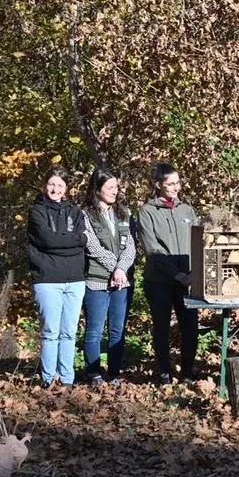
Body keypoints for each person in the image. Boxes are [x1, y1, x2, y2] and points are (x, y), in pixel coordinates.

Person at [138, 163, 199, 384]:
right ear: (158, 185)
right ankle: (164, 371)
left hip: (188, 280)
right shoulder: (147, 212)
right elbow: (153, 249)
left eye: (178, 183)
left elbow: (197, 243)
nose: (175, 187)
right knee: (161, 327)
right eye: (170, 184)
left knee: (190, 328)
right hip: (160, 280)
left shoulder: (187, 210)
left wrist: (194, 273)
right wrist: (176, 274)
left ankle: (187, 373)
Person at [27, 166, 87, 388]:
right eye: (51, 184)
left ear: (66, 189)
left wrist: (65, 241)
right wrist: (74, 240)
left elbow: (84, 240)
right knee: (51, 332)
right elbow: (48, 241)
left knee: (69, 333)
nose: (55, 189)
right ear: (45, 186)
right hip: (47, 280)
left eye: (60, 185)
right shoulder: (37, 212)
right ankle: (47, 379)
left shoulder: (76, 212)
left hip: (75, 280)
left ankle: (67, 378)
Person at [82, 166, 136, 387]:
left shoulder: (125, 213)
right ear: (98, 188)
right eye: (110, 187)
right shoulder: (85, 214)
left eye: (117, 187)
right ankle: (93, 372)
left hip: (121, 282)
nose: (115, 191)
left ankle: (114, 373)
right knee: (94, 329)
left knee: (117, 330)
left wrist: (121, 269)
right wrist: (115, 268)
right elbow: (92, 247)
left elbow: (131, 246)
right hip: (96, 280)